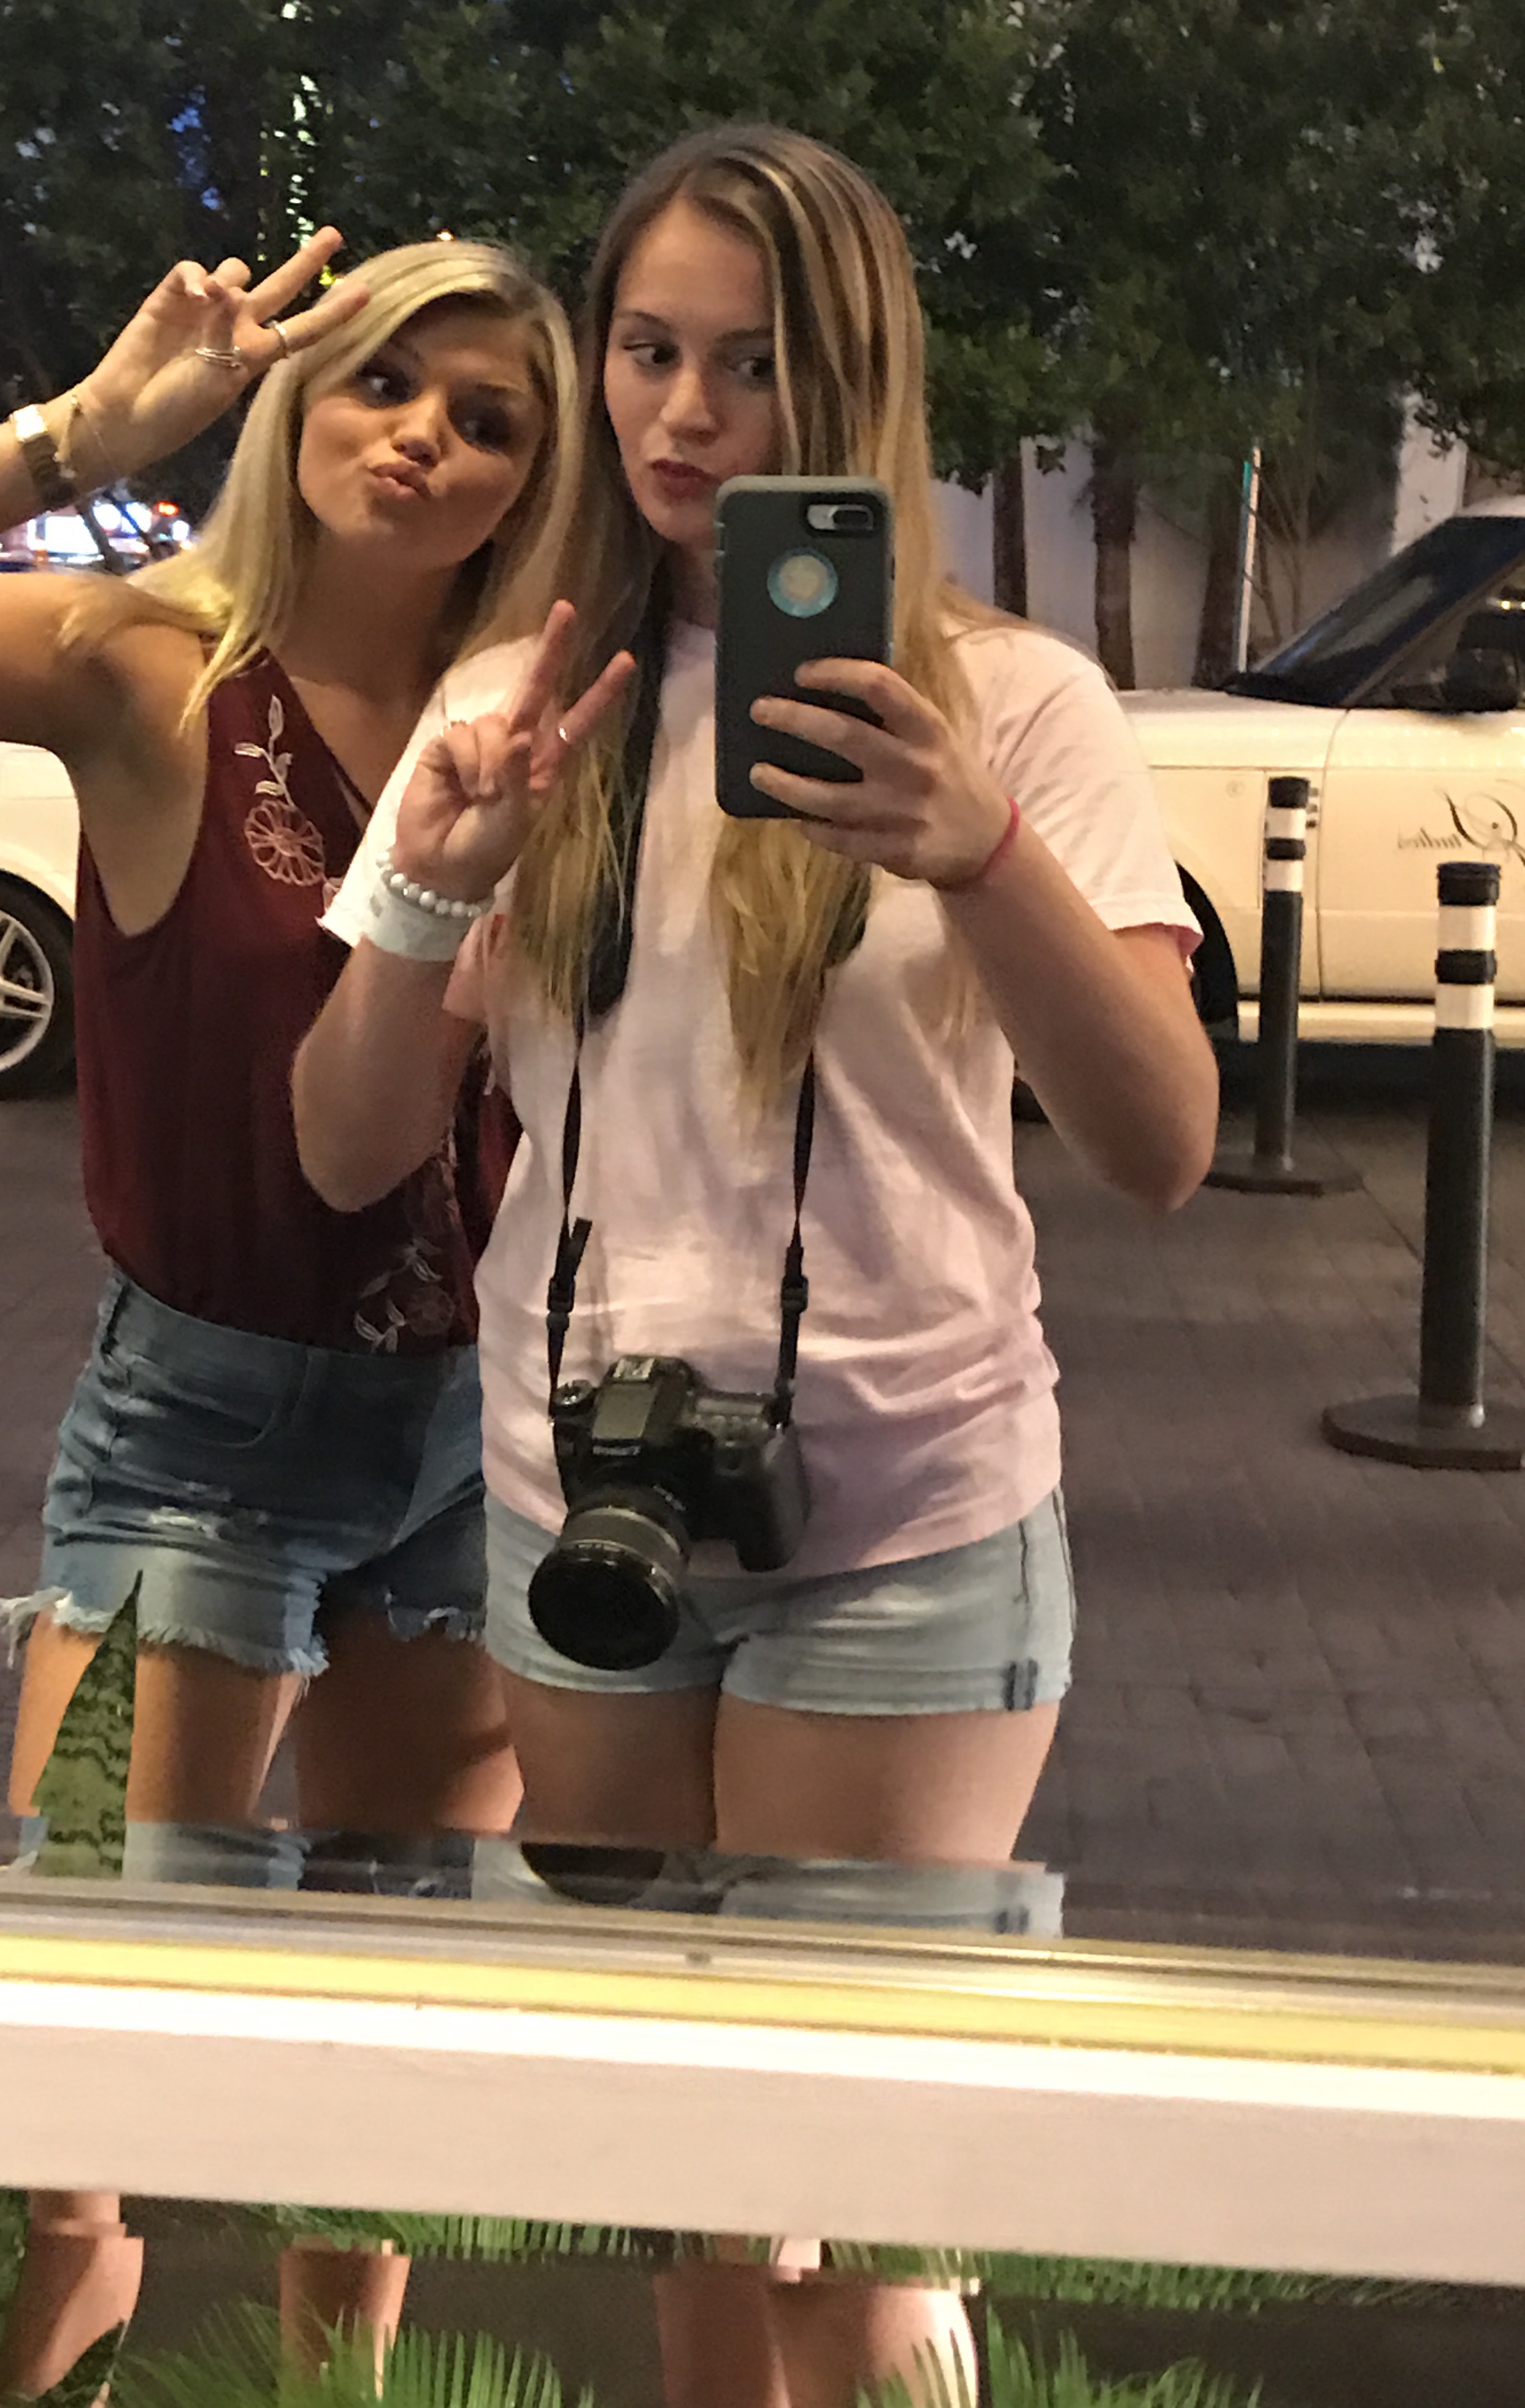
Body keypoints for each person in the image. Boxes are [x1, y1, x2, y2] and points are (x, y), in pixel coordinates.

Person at [293, 126, 1218, 2407]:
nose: (687, 414)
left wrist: (981, 855)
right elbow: (348, 1148)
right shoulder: (524, 697)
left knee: (862, 2191)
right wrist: (428, 890)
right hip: (587, 1508)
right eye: (647, 351)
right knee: (687, 2182)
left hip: (904, 1520)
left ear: (857, 380)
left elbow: (1160, 1144)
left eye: (753, 363)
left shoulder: (1015, 707)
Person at [0, 224, 581, 2390]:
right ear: (297, 405)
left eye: (487, 421)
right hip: (207, 1437)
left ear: (528, 484)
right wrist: (77, 436)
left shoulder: (540, 719)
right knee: (77, 2054)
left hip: (473, 1438)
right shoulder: (159, 671)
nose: (424, 440)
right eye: (385, 383)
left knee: (379, 2030)